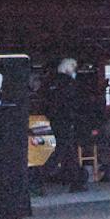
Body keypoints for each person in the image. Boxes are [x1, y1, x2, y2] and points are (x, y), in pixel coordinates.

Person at [42, 58, 88, 193]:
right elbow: (73, 103)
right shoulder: (69, 83)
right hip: (67, 120)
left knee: (69, 151)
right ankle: (38, 177)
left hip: (55, 121)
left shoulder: (51, 82)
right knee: (63, 150)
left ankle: (76, 181)